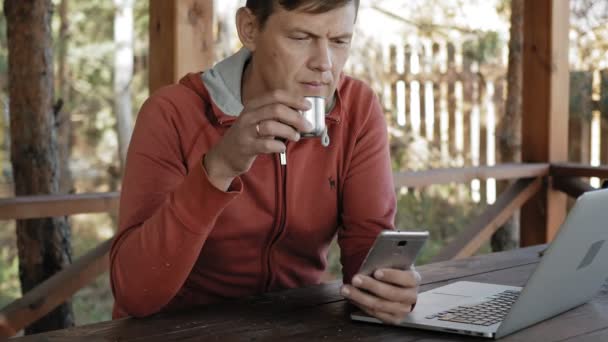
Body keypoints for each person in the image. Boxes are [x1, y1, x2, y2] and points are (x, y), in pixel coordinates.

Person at [110, 0, 420, 325]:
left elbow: (366, 261)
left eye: (340, 41)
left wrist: (389, 289)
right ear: (249, 29)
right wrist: (218, 168)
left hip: (298, 326)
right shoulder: (172, 113)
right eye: (301, 37)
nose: (324, 64)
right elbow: (135, 293)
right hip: (176, 331)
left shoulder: (357, 109)